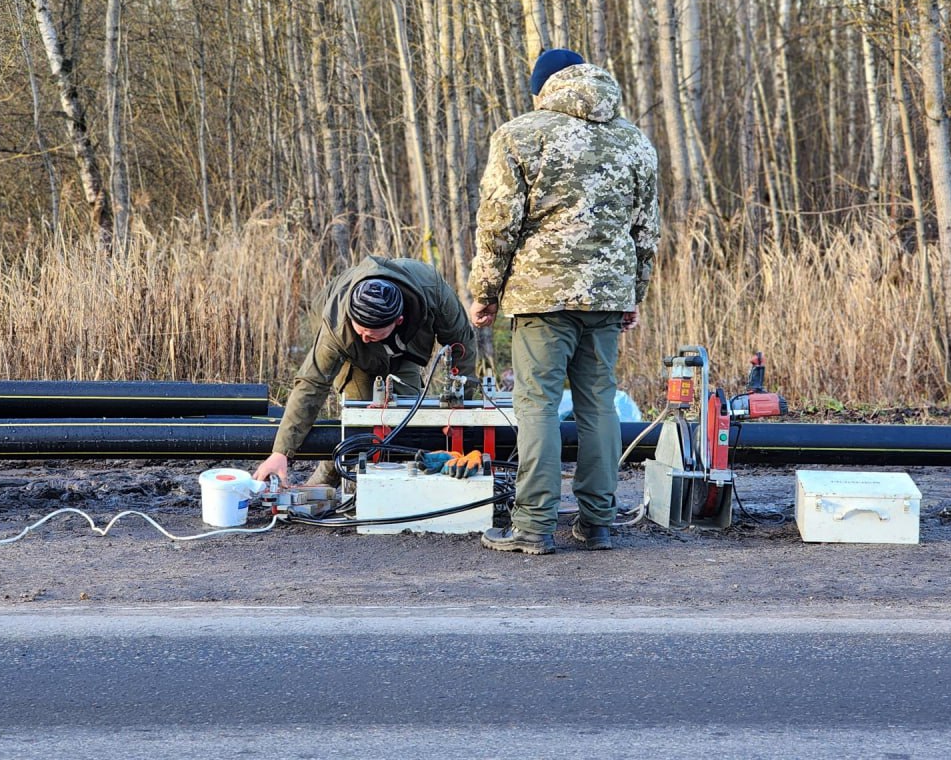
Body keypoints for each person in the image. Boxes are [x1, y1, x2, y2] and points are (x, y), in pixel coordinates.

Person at [468, 49, 659, 555]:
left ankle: (532, 526)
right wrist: (633, 293)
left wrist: (484, 295)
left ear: (542, 88)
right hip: (605, 297)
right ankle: (598, 523)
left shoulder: (519, 135)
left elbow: (497, 226)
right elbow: (646, 230)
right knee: (599, 405)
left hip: (540, 297)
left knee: (538, 407)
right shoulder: (634, 140)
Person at [253, 255, 477, 486]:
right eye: (360, 330)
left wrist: (460, 408)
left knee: (408, 419)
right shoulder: (340, 327)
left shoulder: (433, 291)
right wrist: (281, 452)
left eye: (371, 333)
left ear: (398, 320)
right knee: (358, 425)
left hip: (404, 351)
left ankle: (402, 487)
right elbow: (312, 383)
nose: (364, 336)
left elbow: (463, 346)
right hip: (354, 355)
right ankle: (327, 484)